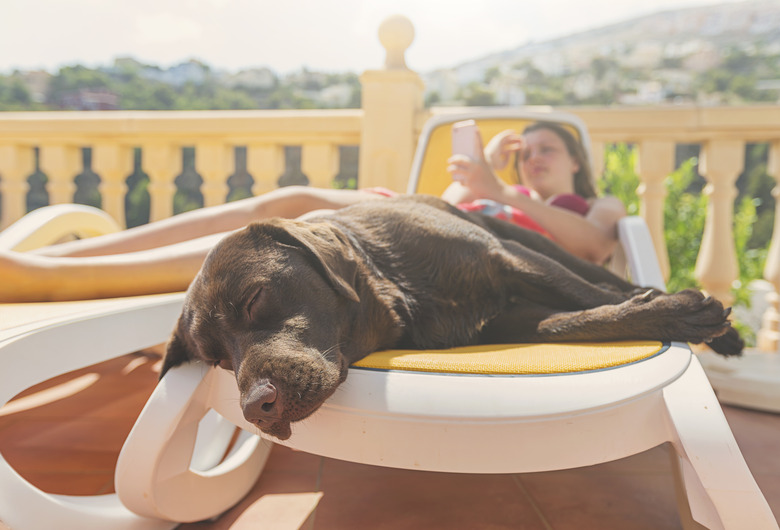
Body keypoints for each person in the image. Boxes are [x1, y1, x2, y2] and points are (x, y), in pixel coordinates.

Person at [0, 122, 624, 303]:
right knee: (291, 200)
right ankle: (51, 256)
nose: (536, 157)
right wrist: (484, 175)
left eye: (550, 149)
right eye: (529, 150)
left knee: (306, 233)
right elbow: (448, 210)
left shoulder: (597, 203)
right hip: (426, 216)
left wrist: (504, 190)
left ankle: (54, 280)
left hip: (450, 245)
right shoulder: (495, 188)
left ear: (575, 161)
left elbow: (593, 251)